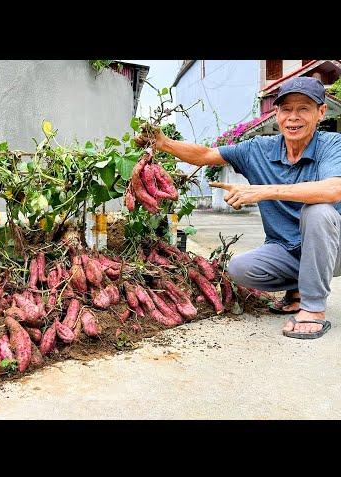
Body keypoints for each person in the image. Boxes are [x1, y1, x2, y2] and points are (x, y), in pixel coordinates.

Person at [135, 76, 341, 339]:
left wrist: (260, 192)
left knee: (318, 210)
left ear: (321, 112)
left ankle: (313, 310)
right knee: (239, 269)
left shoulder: (332, 144)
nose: (293, 117)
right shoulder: (258, 149)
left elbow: (334, 190)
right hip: (286, 250)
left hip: (334, 250)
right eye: (286, 109)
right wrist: (164, 143)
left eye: (303, 109)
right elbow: (205, 155)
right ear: (275, 113)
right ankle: (299, 291)